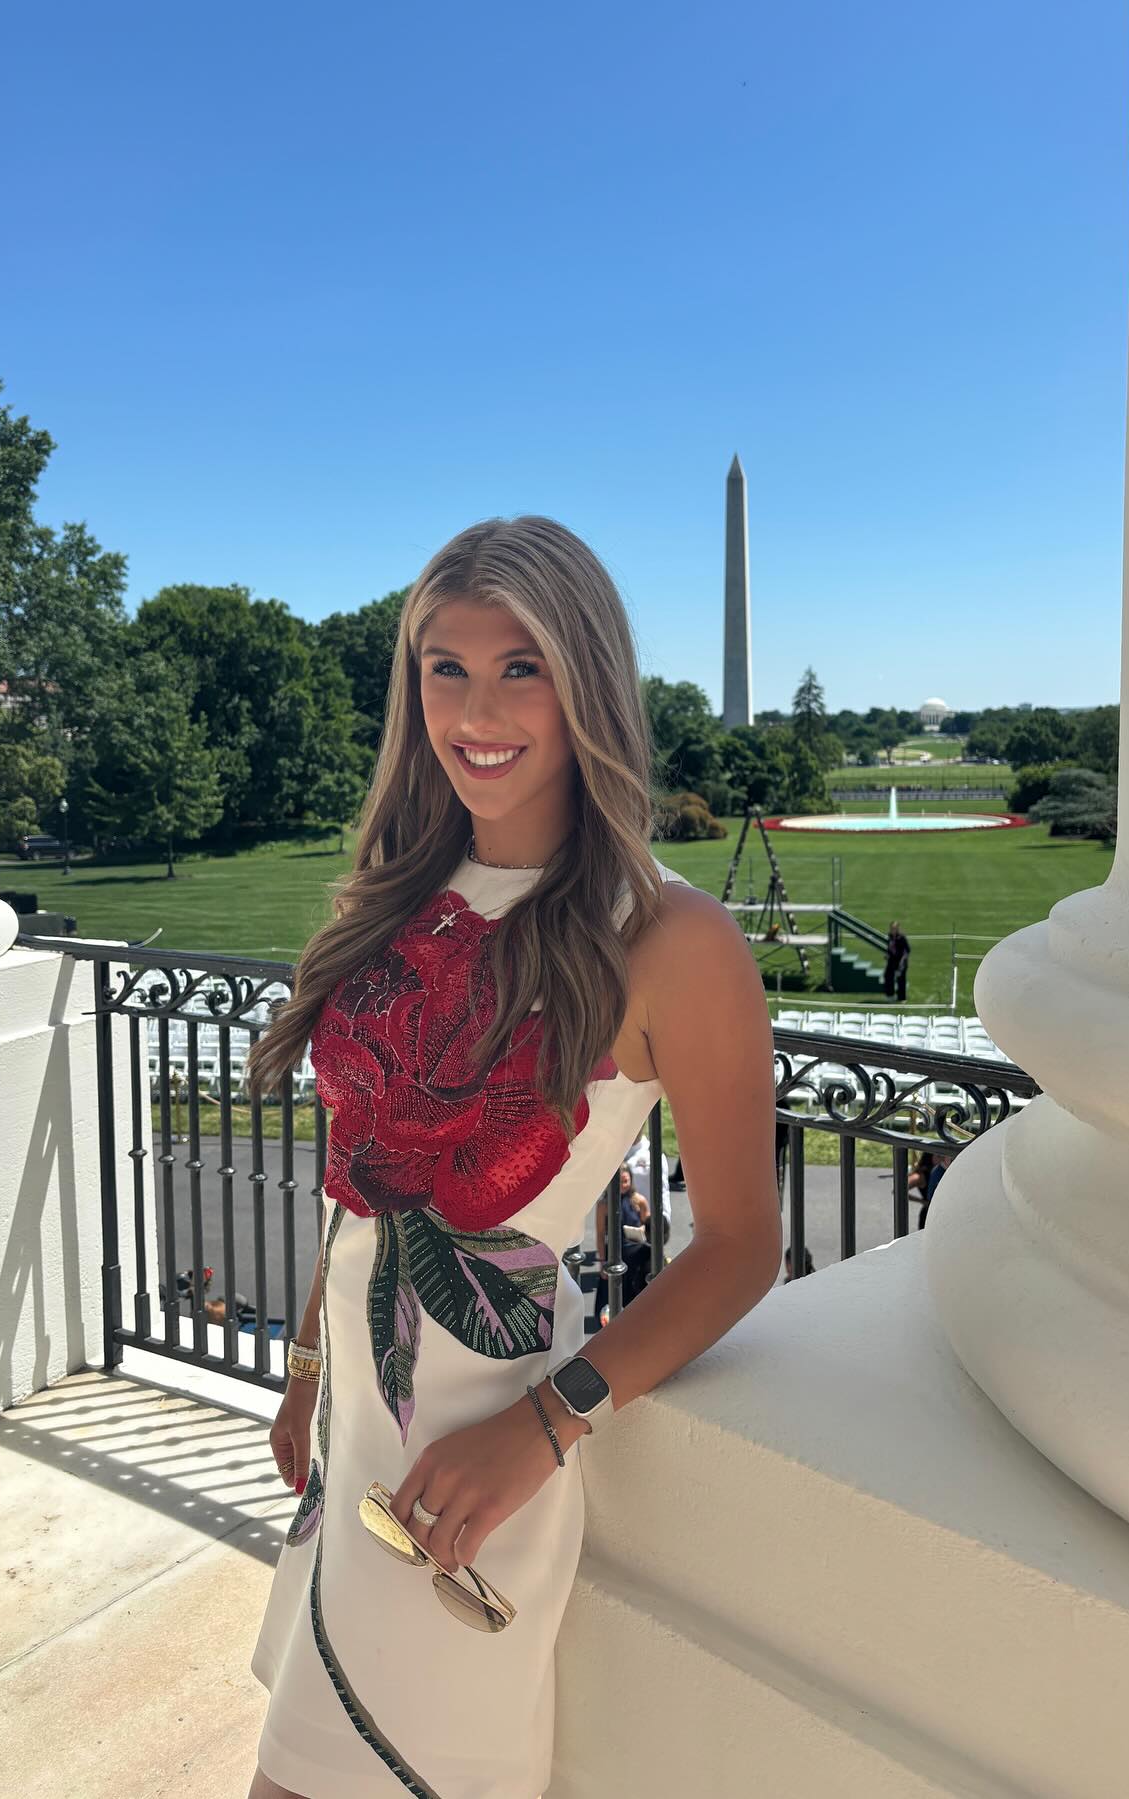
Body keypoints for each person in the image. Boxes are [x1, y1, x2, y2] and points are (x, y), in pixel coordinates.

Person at [238, 516, 783, 1799]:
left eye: (519, 666)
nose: (476, 708)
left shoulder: (669, 939)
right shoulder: (403, 887)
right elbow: (365, 1169)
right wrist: (310, 1364)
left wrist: (548, 1425)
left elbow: (744, 1245)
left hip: (479, 1464)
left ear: (585, 678)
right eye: (445, 667)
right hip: (361, 1443)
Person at [595, 1162, 653, 1307]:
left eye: (626, 1181)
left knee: (636, 1299)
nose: (623, 1185)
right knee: (611, 1300)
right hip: (615, 1253)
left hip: (636, 1256)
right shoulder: (604, 1205)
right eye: (619, 1181)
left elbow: (650, 1229)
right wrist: (602, 1262)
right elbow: (601, 1235)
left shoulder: (639, 1201)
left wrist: (641, 1231)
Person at [883, 919, 911, 1001]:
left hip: (901, 961)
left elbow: (907, 950)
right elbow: (890, 948)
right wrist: (887, 955)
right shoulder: (890, 936)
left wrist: (903, 960)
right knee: (888, 976)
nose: (892, 930)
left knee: (901, 979)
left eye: (894, 928)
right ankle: (890, 995)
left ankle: (901, 998)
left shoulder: (902, 938)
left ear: (898, 929)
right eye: (891, 928)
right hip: (892, 961)